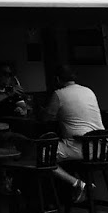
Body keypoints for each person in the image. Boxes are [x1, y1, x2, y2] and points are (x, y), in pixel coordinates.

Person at [44, 66, 102, 202]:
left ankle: (77, 183)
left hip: (81, 148)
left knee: (43, 156)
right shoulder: (89, 91)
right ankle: (81, 184)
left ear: (57, 79)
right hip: (101, 148)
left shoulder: (59, 94)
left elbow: (46, 118)